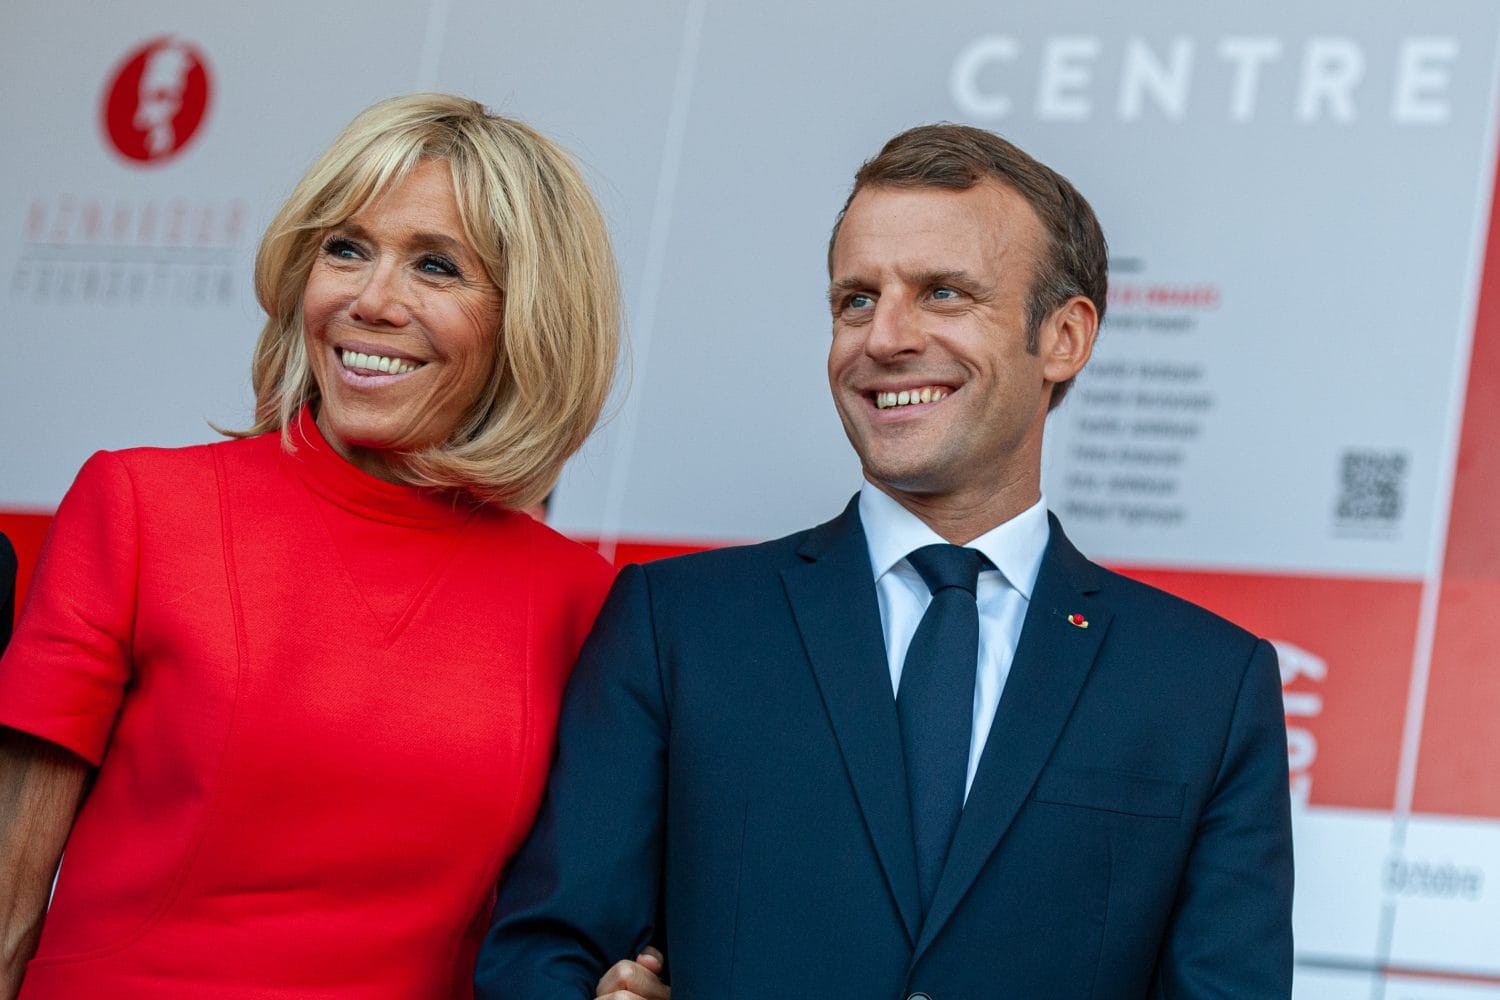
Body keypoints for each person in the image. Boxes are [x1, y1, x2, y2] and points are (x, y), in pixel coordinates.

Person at [477, 124, 1294, 998]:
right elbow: (543, 956)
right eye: (857, 300)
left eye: (943, 293)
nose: (884, 337)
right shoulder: (678, 626)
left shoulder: (1206, 686)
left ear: (1064, 336)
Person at [0, 93, 624, 999]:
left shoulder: (583, 601)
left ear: (530, 316)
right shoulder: (141, 507)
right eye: (346, 249)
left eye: (437, 266)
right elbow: (8, 908)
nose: (370, 301)